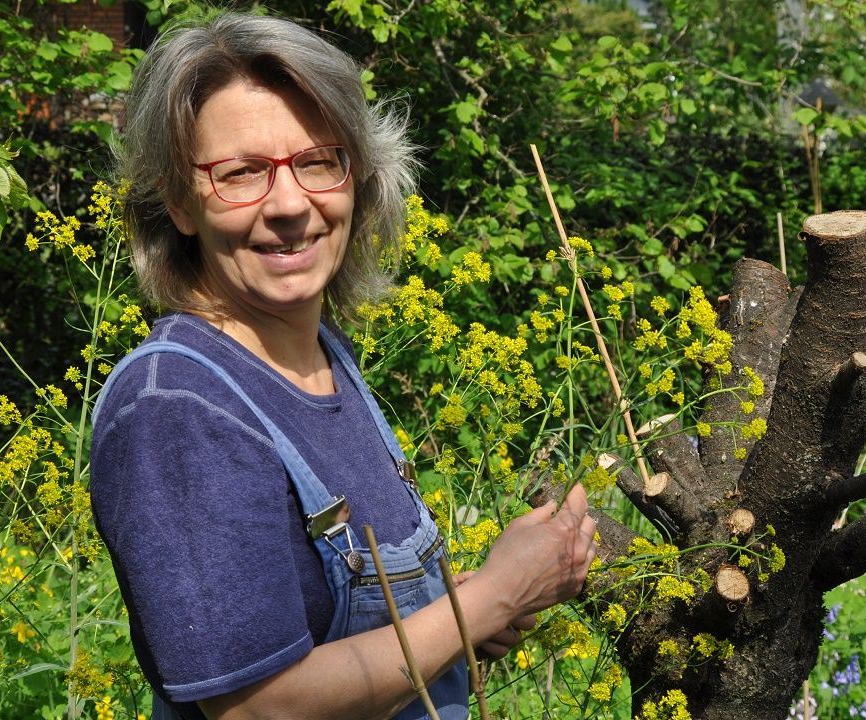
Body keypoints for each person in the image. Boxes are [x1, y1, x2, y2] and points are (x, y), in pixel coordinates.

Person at [89, 12, 596, 720]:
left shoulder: (326, 357)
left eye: (317, 161)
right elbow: (259, 707)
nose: (291, 204)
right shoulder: (178, 407)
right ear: (178, 201)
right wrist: (488, 600)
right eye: (241, 174)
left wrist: (461, 621)